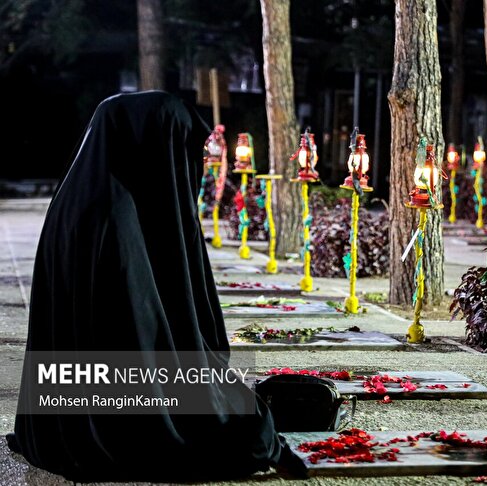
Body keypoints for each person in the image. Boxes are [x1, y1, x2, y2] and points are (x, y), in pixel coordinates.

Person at [7, 91, 305, 481]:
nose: (184, 164)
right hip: (119, 404)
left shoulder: (81, 195)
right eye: (177, 147)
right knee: (232, 422)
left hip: (70, 402)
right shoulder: (115, 215)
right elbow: (145, 337)